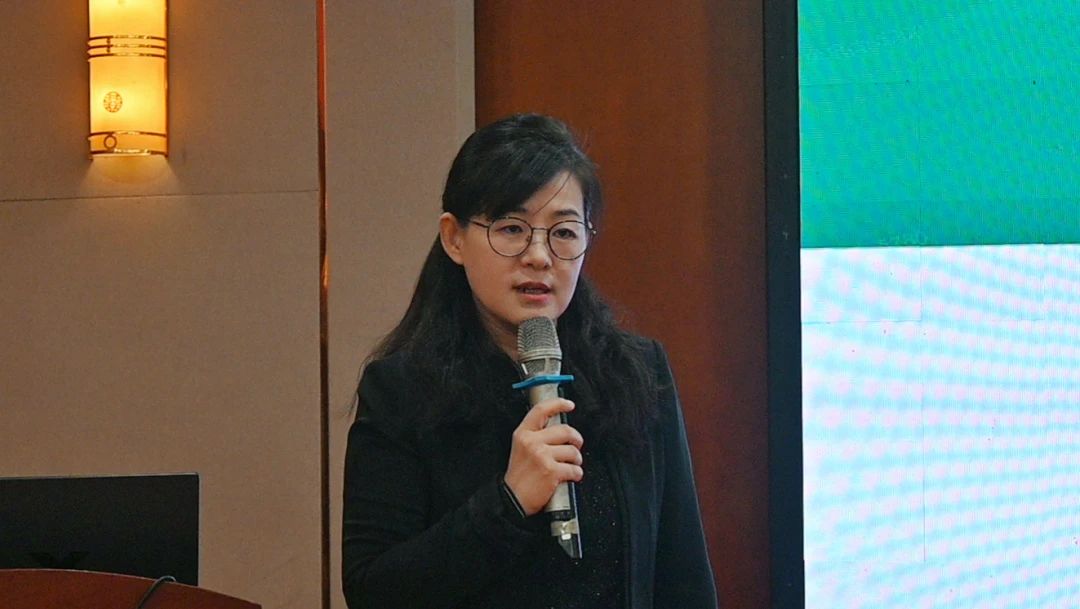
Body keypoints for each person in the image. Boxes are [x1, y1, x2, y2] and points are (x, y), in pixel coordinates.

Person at [342, 113, 718, 609]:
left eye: (563, 232)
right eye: (512, 228)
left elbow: (683, 574)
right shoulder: (401, 391)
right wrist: (509, 501)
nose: (539, 256)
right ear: (454, 238)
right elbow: (372, 590)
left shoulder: (636, 372)